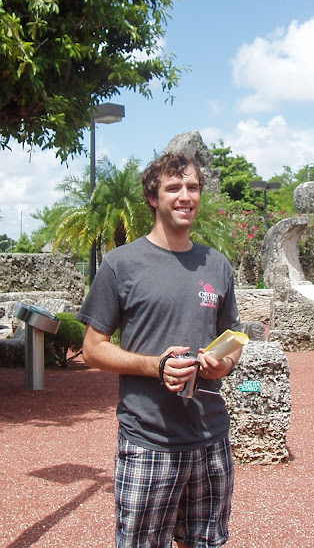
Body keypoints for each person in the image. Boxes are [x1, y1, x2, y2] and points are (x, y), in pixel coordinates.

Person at [77, 152, 244, 548]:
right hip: (148, 441)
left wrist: (226, 363)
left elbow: (235, 335)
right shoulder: (121, 264)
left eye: (193, 187)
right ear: (153, 197)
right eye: (174, 188)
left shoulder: (217, 265)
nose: (185, 196)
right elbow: (92, 349)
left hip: (211, 437)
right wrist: (156, 365)